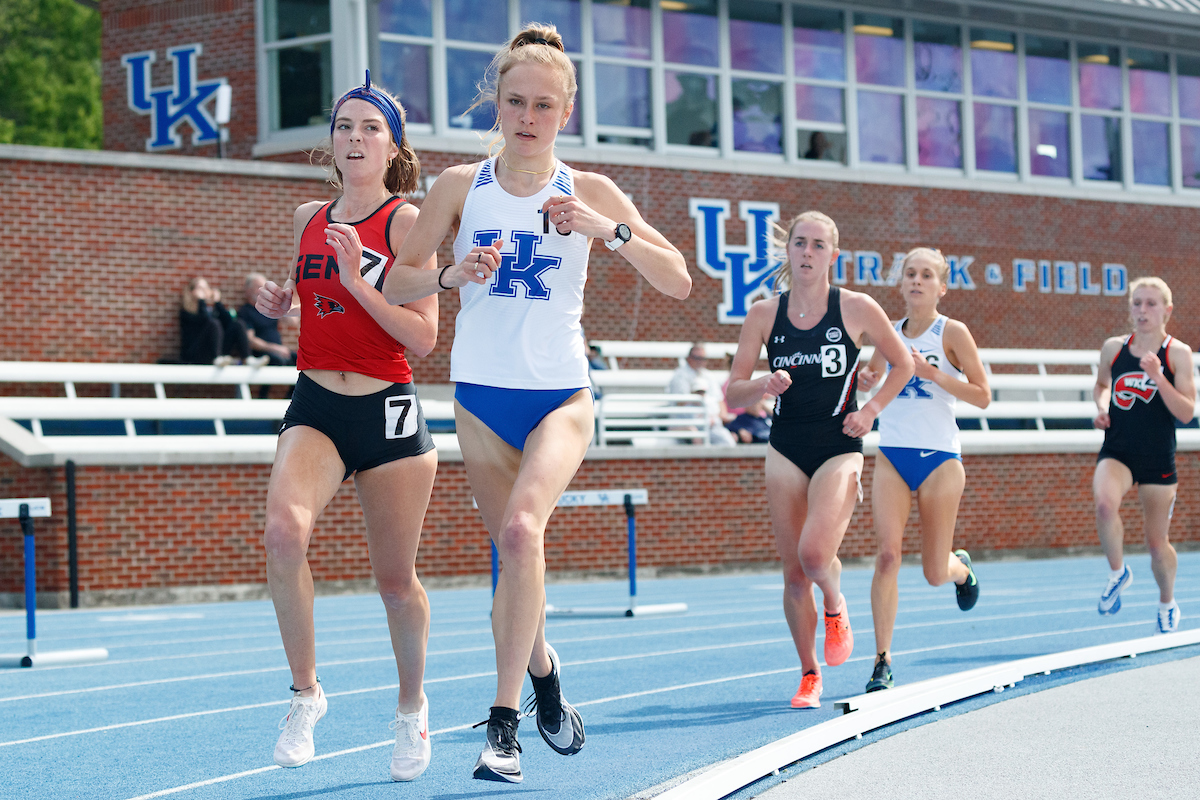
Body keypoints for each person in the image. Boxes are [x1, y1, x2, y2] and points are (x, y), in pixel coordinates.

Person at [381, 24, 690, 783]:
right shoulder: (460, 185)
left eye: (543, 105)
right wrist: (453, 274)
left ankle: (503, 724)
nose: (527, 116)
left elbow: (679, 280)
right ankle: (546, 673)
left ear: (566, 112)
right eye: (515, 101)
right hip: (481, 397)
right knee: (515, 558)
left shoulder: (590, 191)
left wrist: (604, 229)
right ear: (497, 104)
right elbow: (397, 282)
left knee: (522, 533)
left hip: (560, 394)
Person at [253, 72, 440, 781]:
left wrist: (362, 281)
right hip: (316, 404)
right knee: (281, 531)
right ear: (330, 143)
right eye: (344, 126)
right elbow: (317, 305)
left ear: (393, 148)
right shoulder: (306, 215)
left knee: (394, 583)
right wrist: (283, 305)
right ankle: (305, 694)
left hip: (386, 410)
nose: (355, 138)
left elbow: (422, 339)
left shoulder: (407, 224)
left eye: (370, 128)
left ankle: (411, 707)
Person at [725, 210, 913, 710]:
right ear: (788, 251)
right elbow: (734, 393)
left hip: (838, 442)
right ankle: (809, 673)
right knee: (792, 574)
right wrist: (763, 384)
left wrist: (870, 411)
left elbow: (904, 362)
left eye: (818, 246)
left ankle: (835, 602)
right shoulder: (764, 314)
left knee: (814, 556)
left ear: (833, 254)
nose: (807, 253)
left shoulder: (855, 308)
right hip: (785, 444)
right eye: (800, 244)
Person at [856, 248, 990, 693]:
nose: (916, 280)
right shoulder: (889, 333)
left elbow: (983, 396)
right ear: (901, 284)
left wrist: (934, 375)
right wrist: (864, 380)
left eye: (926, 275)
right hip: (893, 453)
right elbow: (873, 378)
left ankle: (961, 569)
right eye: (910, 274)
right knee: (888, 555)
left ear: (942, 286)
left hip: (939, 459)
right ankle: (882, 660)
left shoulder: (953, 332)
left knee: (934, 572)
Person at [1091, 277, 1194, 635]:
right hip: (1117, 449)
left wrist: (1158, 376)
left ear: (1166, 310)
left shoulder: (1177, 353)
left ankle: (1167, 601)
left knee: (1156, 543)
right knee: (1104, 505)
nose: (1142, 310)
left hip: (1157, 458)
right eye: (1137, 303)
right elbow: (1102, 385)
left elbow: (1186, 413)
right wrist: (1102, 407)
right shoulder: (1113, 348)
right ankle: (1118, 572)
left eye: (1151, 304)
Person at [179, 277, 256, 366]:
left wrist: (218, 303)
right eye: (200, 288)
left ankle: (247, 358)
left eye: (206, 288)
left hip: (217, 351)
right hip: (196, 353)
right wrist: (200, 301)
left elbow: (229, 321)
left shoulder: (211, 310)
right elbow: (204, 320)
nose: (204, 291)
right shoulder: (186, 312)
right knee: (214, 323)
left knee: (238, 324)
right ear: (191, 292)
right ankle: (217, 358)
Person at [239, 272, 296, 366]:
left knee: (300, 359)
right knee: (280, 362)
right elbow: (250, 340)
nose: (262, 291)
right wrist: (273, 348)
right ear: (248, 290)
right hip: (262, 354)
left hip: (280, 351)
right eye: (259, 287)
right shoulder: (245, 311)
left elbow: (293, 322)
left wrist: (283, 304)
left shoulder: (270, 308)